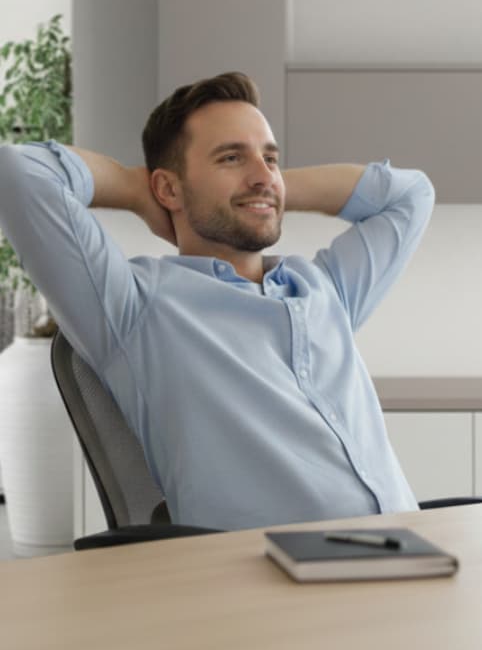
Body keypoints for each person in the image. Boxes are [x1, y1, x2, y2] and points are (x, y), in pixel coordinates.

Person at [0, 72, 434, 530]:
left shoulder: (325, 289)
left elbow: (411, 195)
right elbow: (18, 172)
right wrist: (135, 187)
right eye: (231, 157)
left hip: (409, 554)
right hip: (274, 579)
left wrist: (267, 190)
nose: (262, 173)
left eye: (270, 158)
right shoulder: (134, 307)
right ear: (168, 188)